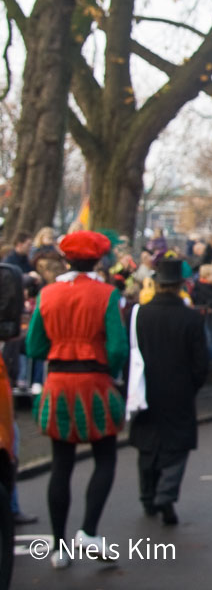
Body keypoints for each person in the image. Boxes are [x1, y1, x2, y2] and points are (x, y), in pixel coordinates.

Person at [25, 231, 128, 569]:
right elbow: (117, 349)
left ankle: (58, 547)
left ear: (66, 259)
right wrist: (109, 370)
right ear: (98, 259)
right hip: (94, 380)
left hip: (58, 382)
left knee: (61, 463)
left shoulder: (48, 293)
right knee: (105, 457)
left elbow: (35, 347)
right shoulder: (106, 294)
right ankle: (89, 531)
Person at [127, 258, 208, 526]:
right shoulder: (191, 318)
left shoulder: (140, 314)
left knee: (148, 445)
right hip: (179, 389)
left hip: (146, 388)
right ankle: (166, 493)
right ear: (180, 286)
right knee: (177, 446)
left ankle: (147, 496)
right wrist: (192, 385)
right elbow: (201, 363)